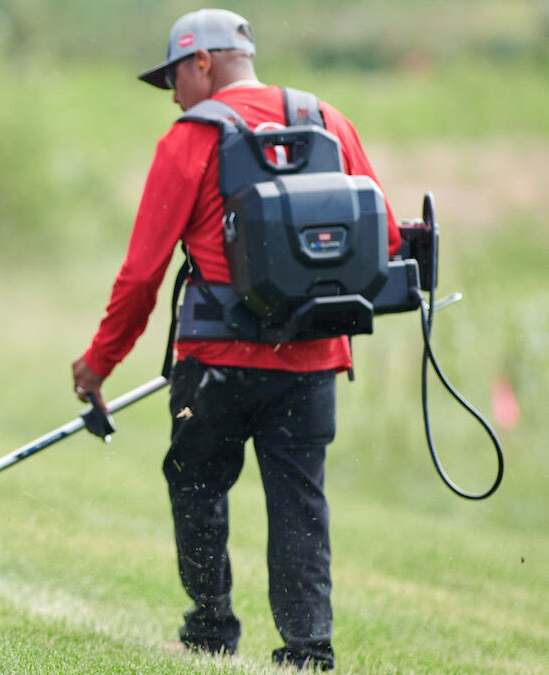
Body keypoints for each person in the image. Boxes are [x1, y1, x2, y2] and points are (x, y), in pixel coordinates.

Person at [71, 8, 400, 671]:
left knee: (196, 486)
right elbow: (387, 236)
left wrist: (97, 364)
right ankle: (307, 649)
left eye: (173, 77)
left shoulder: (188, 140)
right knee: (299, 502)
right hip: (311, 361)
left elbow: (142, 273)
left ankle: (211, 630)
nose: (172, 94)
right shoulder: (327, 121)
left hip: (215, 363)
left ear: (204, 63)